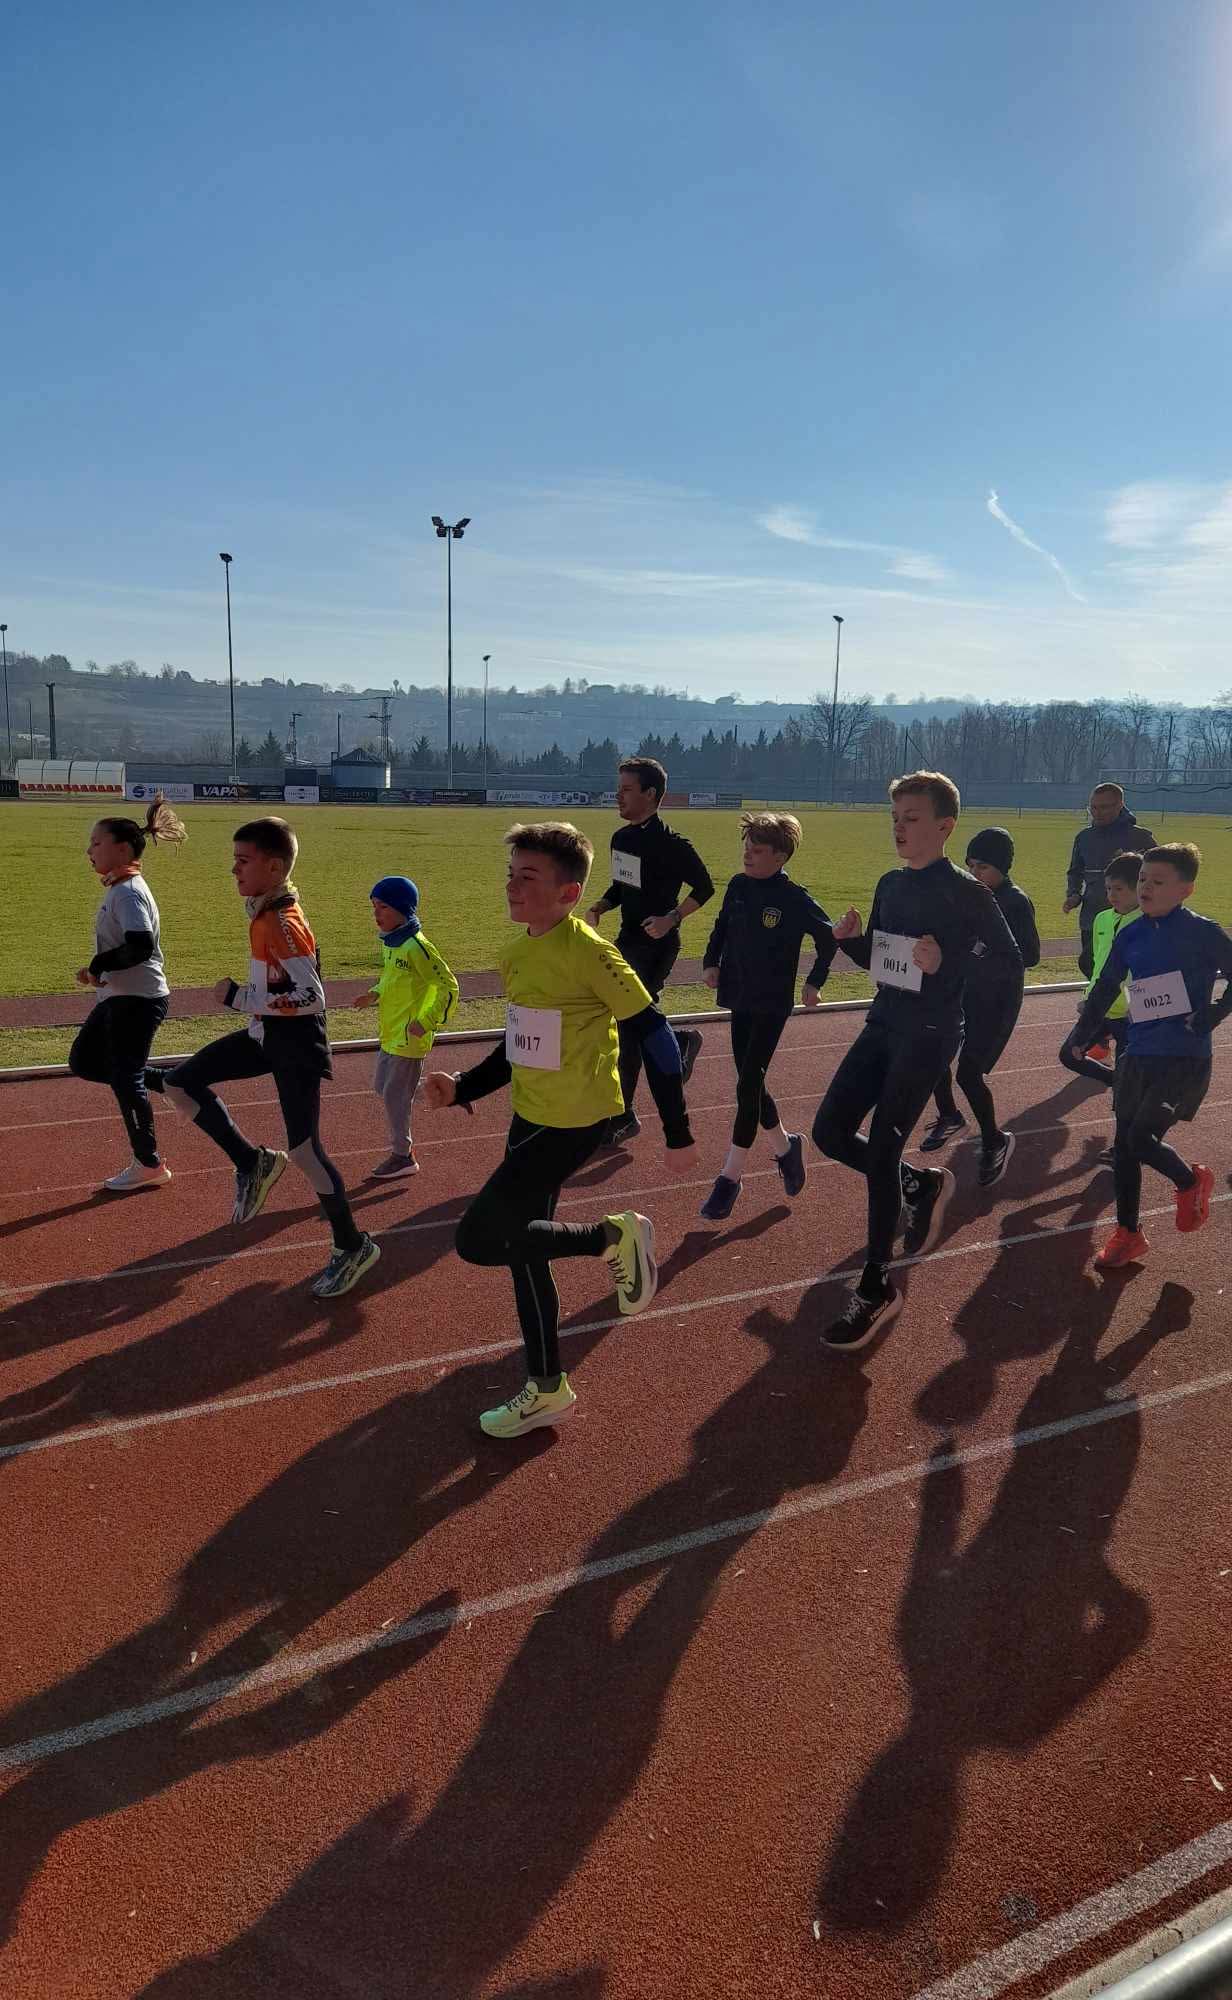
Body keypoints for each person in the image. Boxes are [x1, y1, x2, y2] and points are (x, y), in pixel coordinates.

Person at [426, 821, 693, 1439]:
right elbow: (520, 1043)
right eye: (511, 874)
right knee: (525, 1252)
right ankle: (547, 1387)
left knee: (479, 1239)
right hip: (529, 1116)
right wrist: (463, 1088)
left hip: (574, 1122)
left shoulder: (592, 953)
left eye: (528, 876)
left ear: (569, 893)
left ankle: (612, 1237)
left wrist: (677, 1129)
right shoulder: (518, 953)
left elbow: (657, 1036)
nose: (512, 886)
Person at [811, 772, 1021, 1350]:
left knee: (882, 1148)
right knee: (828, 1132)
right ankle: (919, 1185)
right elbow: (886, 961)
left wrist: (948, 960)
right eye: (895, 818)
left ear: (945, 826)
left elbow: (1010, 958)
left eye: (911, 818)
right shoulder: (891, 883)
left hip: (930, 1033)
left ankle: (877, 1285)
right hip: (884, 1021)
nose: (899, 828)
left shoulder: (969, 893)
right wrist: (851, 941)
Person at [146, 816, 379, 1299]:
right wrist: (253, 1005)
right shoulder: (264, 911)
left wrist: (239, 998)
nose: (234, 869)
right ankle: (252, 1162)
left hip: (295, 1045)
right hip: (265, 1035)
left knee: (306, 1152)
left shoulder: (281, 921)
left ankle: (352, 1246)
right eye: (234, 860)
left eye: (243, 861)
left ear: (273, 868)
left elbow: (312, 997)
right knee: (179, 1082)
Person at [1070, 842, 1231, 1269]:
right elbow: (1106, 986)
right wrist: (1082, 1035)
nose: (1145, 887)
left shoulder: (1203, 932)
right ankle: (1128, 1234)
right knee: (1124, 1147)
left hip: (1183, 1057)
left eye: (1158, 881)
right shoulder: (1131, 933)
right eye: (1143, 878)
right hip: (1138, 1052)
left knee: (1141, 1139)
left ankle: (1190, 1180)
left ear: (1186, 889)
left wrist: (1213, 1013)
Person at [698, 811, 835, 1220]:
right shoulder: (738, 886)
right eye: (746, 848)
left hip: (772, 1004)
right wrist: (710, 961)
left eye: (757, 850)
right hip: (739, 996)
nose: (748, 855)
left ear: (780, 856)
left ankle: (730, 1178)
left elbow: (828, 939)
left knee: (747, 1086)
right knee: (751, 1085)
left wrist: (814, 982)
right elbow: (721, 926)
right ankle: (786, 1147)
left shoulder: (794, 897)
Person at [584, 757, 714, 1142]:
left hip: (657, 946)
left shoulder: (673, 845)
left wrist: (671, 919)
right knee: (629, 1022)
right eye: (618, 789)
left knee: (627, 1025)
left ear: (651, 794)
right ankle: (680, 1041)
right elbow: (622, 886)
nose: (618, 796)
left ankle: (624, 1116)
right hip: (626, 942)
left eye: (626, 789)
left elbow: (705, 888)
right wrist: (600, 906)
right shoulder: (622, 839)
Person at [68, 793, 187, 1192]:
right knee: (85, 1061)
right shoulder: (119, 888)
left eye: (96, 843)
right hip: (119, 997)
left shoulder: (128, 892)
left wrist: (98, 965)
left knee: (125, 1078)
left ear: (122, 849)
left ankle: (149, 1163)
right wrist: (97, 970)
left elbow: (140, 946)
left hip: (138, 1000)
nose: (89, 850)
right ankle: (173, 1083)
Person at [919, 826, 1040, 1185]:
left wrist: (984, 952)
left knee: (969, 1074)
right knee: (931, 1050)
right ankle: (949, 1115)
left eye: (983, 867)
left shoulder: (1015, 902)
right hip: (962, 992)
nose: (975, 873)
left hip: (996, 1000)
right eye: (970, 865)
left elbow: (1030, 955)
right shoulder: (969, 895)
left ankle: (994, 1140)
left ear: (1003, 867)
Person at [352, 875, 459, 1179]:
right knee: (383, 1088)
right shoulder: (392, 943)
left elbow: (449, 986)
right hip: (390, 1032)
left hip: (410, 1037)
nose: (376, 914)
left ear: (402, 908)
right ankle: (450, 1089)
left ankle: (403, 1156)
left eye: (383, 907)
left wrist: (426, 1022)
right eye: (374, 906)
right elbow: (392, 979)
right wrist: (374, 993)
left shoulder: (417, 947)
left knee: (393, 1096)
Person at [1058, 850, 1142, 1164]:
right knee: (1069, 1055)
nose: (1112, 895)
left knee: (1125, 1097)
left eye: (1119, 889)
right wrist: (1089, 996)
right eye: (1108, 888)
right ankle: (1115, 1079)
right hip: (1099, 1009)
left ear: (1139, 887)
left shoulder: (1148, 923)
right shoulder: (1102, 919)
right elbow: (1099, 965)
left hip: (1133, 1016)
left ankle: (1123, 1149)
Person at [1063, 783, 1154, 978]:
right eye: (1093, 807)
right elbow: (1075, 871)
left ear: (1120, 805)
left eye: (1104, 807)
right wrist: (1074, 894)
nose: (1097, 812)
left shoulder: (1140, 837)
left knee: (1124, 967)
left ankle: (1124, 996)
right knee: (1090, 964)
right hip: (1092, 916)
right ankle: (1100, 996)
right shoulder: (1084, 838)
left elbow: (1158, 873)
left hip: (1130, 916)